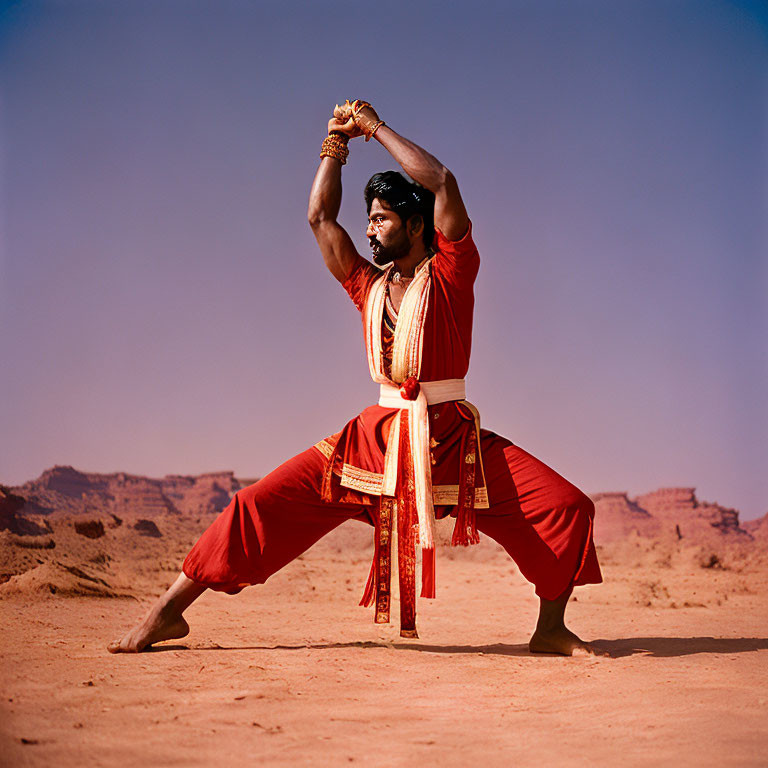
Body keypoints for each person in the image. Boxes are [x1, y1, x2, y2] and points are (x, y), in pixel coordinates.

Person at [108, 100, 603, 656]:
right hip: (375, 442)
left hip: (453, 442)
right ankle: (166, 612)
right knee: (258, 503)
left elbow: (441, 180)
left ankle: (550, 627)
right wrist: (334, 147)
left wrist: (375, 128)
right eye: (368, 218)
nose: (369, 229)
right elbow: (320, 219)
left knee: (565, 506)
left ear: (416, 225)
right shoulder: (367, 286)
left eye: (382, 218)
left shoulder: (453, 272)